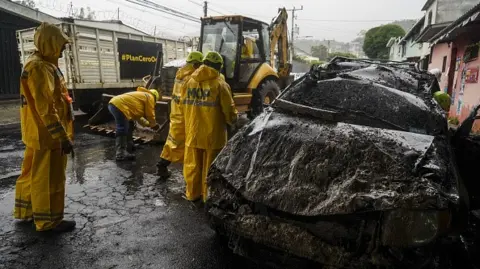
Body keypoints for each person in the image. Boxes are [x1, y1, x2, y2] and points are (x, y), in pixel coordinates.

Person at [14, 22, 76, 232]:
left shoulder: (37, 63)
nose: (63, 49)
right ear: (50, 44)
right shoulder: (40, 67)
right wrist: (62, 137)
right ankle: (48, 221)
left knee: (31, 173)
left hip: (37, 132)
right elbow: (47, 108)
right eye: (61, 44)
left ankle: (27, 212)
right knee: (48, 178)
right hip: (48, 135)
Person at [181, 51, 238, 202]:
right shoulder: (220, 84)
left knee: (193, 166)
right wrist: (233, 121)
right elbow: (229, 109)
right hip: (214, 134)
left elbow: (182, 105)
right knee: (211, 167)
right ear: (218, 66)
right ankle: (208, 197)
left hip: (193, 132)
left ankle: (193, 194)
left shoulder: (188, 82)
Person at [156, 51, 203, 178]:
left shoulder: (180, 75)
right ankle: (163, 165)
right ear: (196, 64)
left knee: (173, 142)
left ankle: (163, 165)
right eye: (200, 64)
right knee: (179, 145)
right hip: (184, 116)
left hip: (176, 113)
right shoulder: (191, 79)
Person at [108, 87, 160, 161]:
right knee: (122, 127)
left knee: (130, 124)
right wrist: (153, 125)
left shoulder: (142, 97)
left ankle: (130, 145)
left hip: (115, 104)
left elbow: (138, 117)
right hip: (119, 105)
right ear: (155, 98)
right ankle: (120, 153)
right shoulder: (150, 97)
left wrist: (148, 124)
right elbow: (150, 114)